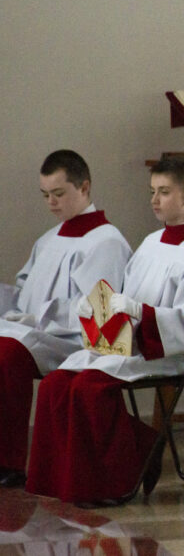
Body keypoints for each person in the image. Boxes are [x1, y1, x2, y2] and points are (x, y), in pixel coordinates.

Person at [26, 155, 184, 505]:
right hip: (134, 342)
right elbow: (123, 297)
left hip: (173, 349)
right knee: (56, 384)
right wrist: (94, 308)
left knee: (88, 388)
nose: (154, 200)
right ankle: (70, 480)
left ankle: (113, 482)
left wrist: (139, 313)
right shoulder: (151, 242)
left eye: (164, 192)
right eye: (152, 191)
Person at [0, 150, 130, 489]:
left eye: (59, 193)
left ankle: (8, 461)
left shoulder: (106, 242)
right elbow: (23, 291)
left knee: (5, 353)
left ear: (84, 187)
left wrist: (38, 316)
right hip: (34, 332)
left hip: (71, 341)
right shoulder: (49, 239)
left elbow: (101, 314)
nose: (51, 203)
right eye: (45, 195)